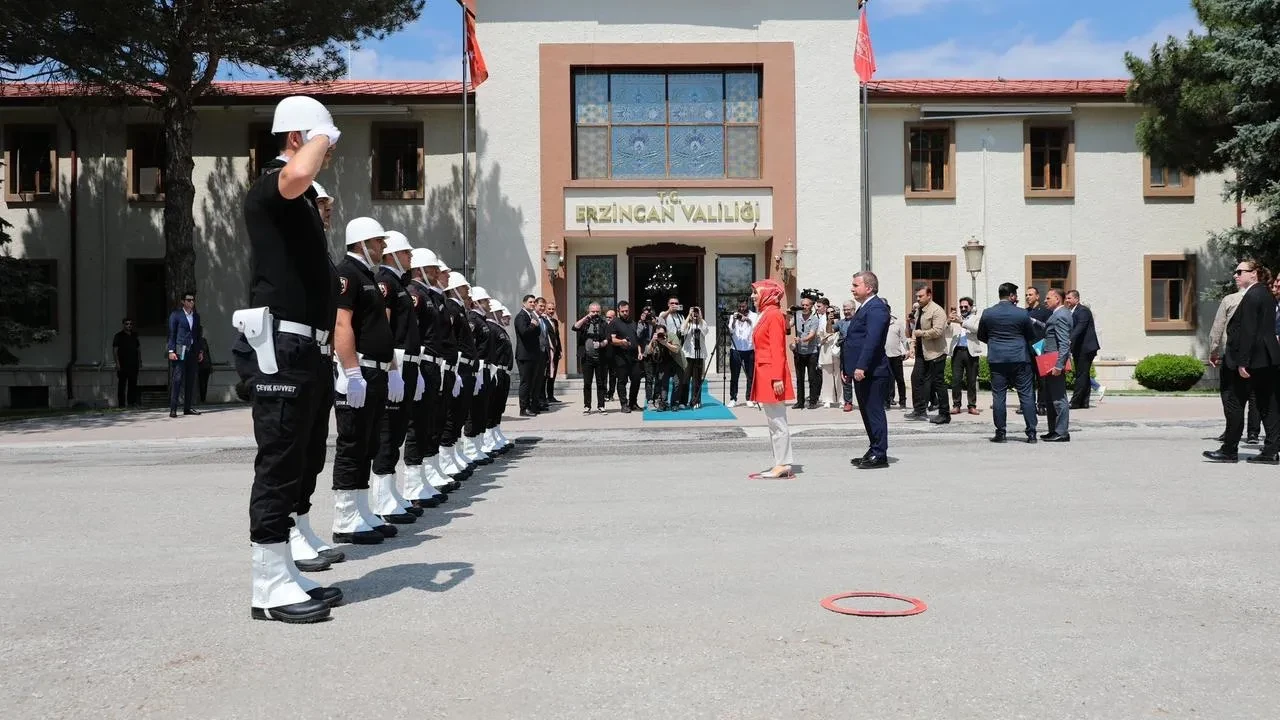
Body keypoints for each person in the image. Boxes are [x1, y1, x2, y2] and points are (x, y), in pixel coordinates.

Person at [236, 94, 342, 623]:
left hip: (307, 348)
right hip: (282, 344)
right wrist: (324, 131)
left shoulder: (298, 203)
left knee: (300, 458)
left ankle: (285, 568)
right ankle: (268, 584)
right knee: (278, 460)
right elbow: (298, 173)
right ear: (297, 137)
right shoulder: (269, 190)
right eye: (320, 141)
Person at [332, 217, 400, 546]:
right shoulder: (348, 273)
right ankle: (345, 516)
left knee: (369, 443)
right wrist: (351, 372)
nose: (382, 247)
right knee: (352, 444)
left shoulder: (366, 275)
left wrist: (392, 369)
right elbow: (341, 324)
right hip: (359, 370)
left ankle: (361, 509)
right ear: (361, 244)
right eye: (377, 242)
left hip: (375, 370)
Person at [368, 231, 425, 525]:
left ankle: (390, 492)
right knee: (388, 432)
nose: (410, 258)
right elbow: (385, 328)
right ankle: (380, 498)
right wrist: (392, 370)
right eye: (406, 253)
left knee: (399, 430)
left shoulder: (399, 284)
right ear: (392, 254)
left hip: (408, 363)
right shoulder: (386, 282)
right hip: (397, 363)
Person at [1205, 260, 1280, 463]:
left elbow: (1247, 332)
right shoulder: (1266, 294)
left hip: (1249, 360)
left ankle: (1229, 450)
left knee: (1234, 403)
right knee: (1268, 404)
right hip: (1267, 357)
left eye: (1240, 271)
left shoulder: (1251, 296)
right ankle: (1271, 450)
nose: (1235, 275)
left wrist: (1242, 362)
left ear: (1254, 274)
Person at [401, 247, 455, 508]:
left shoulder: (430, 296)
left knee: (429, 422)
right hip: (421, 364)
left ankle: (423, 476)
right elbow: (410, 330)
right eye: (433, 269)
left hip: (434, 365)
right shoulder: (415, 295)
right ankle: (412, 483)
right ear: (421, 270)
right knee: (417, 425)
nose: (437, 273)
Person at [974, 282, 1039, 443]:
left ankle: (1001, 432)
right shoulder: (1022, 313)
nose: (1017, 298)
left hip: (997, 359)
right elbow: (1031, 335)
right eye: (1016, 295)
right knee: (1026, 395)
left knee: (999, 396)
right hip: (1020, 358)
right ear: (1011, 296)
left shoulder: (988, 313)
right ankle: (1031, 433)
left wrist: (995, 342)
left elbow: (981, 335)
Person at [843, 272, 891, 470]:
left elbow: (873, 340)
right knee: (866, 412)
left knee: (874, 412)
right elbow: (855, 340)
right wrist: (849, 368)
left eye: (856, 285)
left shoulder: (877, 308)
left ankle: (880, 453)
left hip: (872, 371)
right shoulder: (866, 307)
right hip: (860, 370)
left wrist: (861, 366)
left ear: (868, 288)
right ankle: (874, 448)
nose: (852, 288)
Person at [750, 278, 795, 478]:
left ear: (767, 294)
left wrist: (777, 377)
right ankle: (779, 461)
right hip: (766, 372)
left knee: (777, 421)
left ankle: (784, 462)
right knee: (773, 421)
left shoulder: (774, 315)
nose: (752, 296)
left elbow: (778, 348)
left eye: (756, 293)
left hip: (771, 374)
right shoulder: (766, 314)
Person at [1209, 284, 1261, 445]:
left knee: (1230, 395)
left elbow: (1218, 326)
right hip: (1257, 354)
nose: (1236, 275)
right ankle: (1253, 432)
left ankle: (1231, 431)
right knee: (1254, 395)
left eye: (1239, 272)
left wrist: (1213, 350)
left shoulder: (1230, 299)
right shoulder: (1265, 299)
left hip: (1233, 354)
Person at [442, 272, 482, 471]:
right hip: (458, 366)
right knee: (452, 415)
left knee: (459, 413)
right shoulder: (451, 307)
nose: (468, 291)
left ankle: (453, 454)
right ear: (456, 289)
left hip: (466, 367)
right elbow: (450, 337)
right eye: (465, 287)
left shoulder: (459, 309)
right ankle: (446, 459)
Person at [462, 285, 495, 465]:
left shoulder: (482, 320)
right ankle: (470, 447)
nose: (488, 303)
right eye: (485, 301)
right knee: (474, 409)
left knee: (482, 408)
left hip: (485, 367)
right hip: (477, 366)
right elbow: (472, 345)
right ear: (476, 302)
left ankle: (477, 444)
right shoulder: (473, 320)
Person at [907, 285, 947, 424]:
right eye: (917, 296)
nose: (918, 299)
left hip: (936, 353)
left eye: (921, 296)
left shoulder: (937, 311)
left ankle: (944, 413)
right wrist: (912, 345)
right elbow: (915, 329)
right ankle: (919, 410)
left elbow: (938, 331)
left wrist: (922, 334)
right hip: (921, 352)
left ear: (929, 295)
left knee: (938, 383)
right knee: (916, 378)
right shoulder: (919, 310)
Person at [1040, 289, 1074, 442]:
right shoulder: (1058, 314)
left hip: (1055, 362)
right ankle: (1054, 430)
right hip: (1050, 360)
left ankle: (1061, 432)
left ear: (1057, 299)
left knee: (1059, 398)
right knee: (1050, 397)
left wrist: (1059, 366)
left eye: (1048, 298)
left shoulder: (1060, 316)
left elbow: (1064, 344)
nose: (1045, 301)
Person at [167, 291, 204, 418]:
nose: (191, 302)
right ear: (183, 301)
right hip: (180, 349)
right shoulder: (176, 315)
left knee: (191, 380)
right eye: (188, 300)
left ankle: (187, 408)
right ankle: (173, 409)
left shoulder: (196, 316)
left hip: (193, 350)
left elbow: (198, 335)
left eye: (193, 300)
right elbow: (172, 334)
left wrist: (200, 351)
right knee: (177, 379)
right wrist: (171, 351)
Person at [946, 297, 984, 416]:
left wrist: (961, 322)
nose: (962, 309)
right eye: (961, 307)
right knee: (956, 380)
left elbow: (977, 329)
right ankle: (956, 405)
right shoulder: (955, 319)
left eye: (965, 307)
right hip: (957, 351)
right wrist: (948, 322)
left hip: (970, 352)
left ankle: (972, 406)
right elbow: (947, 333)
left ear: (971, 307)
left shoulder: (976, 318)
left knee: (971, 380)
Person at [1064, 290, 1102, 409]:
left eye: (1069, 298)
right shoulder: (1073, 311)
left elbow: (1080, 327)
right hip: (1080, 348)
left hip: (1086, 348)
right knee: (1083, 375)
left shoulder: (1083, 311)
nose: (1067, 300)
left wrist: (1069, 339)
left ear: (1077, 299)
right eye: (1066, 298)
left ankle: (1075, 402)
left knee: (1081, 374)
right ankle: (1084, 402)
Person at [573, 303, 609, 413]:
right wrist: (586, 317)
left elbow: (608, 339)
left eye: (597, 312)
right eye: (593, 311)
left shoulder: (603, 323)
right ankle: (587, 406)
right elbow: (574, 327)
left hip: (600, 357)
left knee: (601, 383)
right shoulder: (585, 323)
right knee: (587, 383)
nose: (595, 314)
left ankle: (601, 405)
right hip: (586, 358)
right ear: (589, 311)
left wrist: (601, 344)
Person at [608, 301, 643, 413]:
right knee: (622, 381)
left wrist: (639, 352)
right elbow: (612, 339)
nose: (625, 313)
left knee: (636, 379)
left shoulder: (633, 323)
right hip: (620, 356)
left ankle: (633, 403)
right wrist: (622, 342)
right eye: (622, 311)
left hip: (634, 356)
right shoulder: (614, 323)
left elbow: (637, 340)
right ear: (618, 311)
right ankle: (624, 404)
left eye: (626, 311)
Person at [790, 295, 822, 410]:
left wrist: (801, 340)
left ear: (811, 307)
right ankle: (800, 402)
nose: (804, 307)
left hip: (811, 352)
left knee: (812, 377)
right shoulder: (797, 316)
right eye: (802, 305)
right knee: (799, 378)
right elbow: (787, 326)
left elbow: (812, 335)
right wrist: (789, 314)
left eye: (806, 305)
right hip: (799, 352)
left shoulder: (814, 319)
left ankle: (813, 401)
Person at [514, 295, 542, 417]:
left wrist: (534, 325)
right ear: (524, 303)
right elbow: (524, 332)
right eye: (530, 302)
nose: (532, 304)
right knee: (525, 382)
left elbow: (537, 332)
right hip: (524, 355)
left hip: (533, 354)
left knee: (532, 382)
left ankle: (530, 406)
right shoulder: (521, 316)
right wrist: (533, 325)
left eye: (534, 302)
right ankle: (523, 409)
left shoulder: (531, 316)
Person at [728, 299, 756, 408]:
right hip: (736, 348)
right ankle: (733, 398)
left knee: (750, 375)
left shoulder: (754, 315)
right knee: (734, 375)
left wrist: (747, 320)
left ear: (747, 305)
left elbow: (756, 328)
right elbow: (730, 331)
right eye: (739, 306)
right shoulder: (733, 316)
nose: (741, 309)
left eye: (743, 306)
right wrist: (735, 321)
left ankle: (749, 398)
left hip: (749, 348)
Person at [681, 306, 709, 409]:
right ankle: (683, 401)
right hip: (688, 354)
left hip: (699, 354)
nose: (695, 313)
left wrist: (700, 317)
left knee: (697, 379)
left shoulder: (702, 323)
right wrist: (689, 315)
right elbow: (682, 331)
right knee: (685, 378)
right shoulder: (687, 323)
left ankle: (696, 400)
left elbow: (705, 332)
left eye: (697, 311)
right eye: (694, 311)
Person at [112, 318, 141, 407]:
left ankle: (131, 402)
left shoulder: (134, 335)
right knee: (122, 385)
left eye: (130, 324)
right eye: (127, 324)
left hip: (133, 364)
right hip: (123, 364)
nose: (129, 325)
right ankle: (121, 404)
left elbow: (138, 349)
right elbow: (115, 350)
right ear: (123, 325)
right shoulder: (118, 336)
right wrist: (117, 363)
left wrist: (139, 361)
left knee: (133, 384)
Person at [884, 311, 908, 410]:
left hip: (896, 356)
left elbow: (904, 339)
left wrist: (907, 351)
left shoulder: (897, 324)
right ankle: (887, 402)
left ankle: (902, 402)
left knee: (900, 380)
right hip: (884, 356)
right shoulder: (879, 324)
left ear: (889, 312)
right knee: (886, 380)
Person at [544, 300, 562, 404]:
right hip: (547, 351)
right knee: (546, 374)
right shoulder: (543, 321)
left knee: (553, 374)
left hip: (555, 351)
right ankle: (543, 396)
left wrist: (560, 350)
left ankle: (551, 396)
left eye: (552, 309)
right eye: (549, 309)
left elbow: (557, 337)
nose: (551, 311)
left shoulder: (555, 322)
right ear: (546, 310)